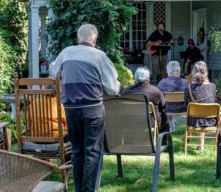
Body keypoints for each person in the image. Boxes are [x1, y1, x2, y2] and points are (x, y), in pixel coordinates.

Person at [49, 24, 121, 192]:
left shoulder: (66, 52)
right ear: (94, 40)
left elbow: (52, 71)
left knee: (77, 150)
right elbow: (112, 87)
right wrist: (119, 88)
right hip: (93, 108)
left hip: (71, 108)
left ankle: (80, 189)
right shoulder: (99, 56)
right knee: (93, 151)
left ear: (78, 38)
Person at [120, 67, 168, 133]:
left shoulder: (126, 91)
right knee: (163, 115)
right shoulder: (155, 91)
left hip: (129, 121)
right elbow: (163, 106)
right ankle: (164, 141)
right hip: (149, 122)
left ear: (135, 77)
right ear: (148, 78)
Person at [184, 61, 217, 150]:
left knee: (196, 112)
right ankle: (200, 145)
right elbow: (213, 100)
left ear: (193, 72)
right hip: (211, 120)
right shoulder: (212, 86)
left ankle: (189, 136)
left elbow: (186, 103)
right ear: (206, 72)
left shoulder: (189, 87)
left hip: (193, 120)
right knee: (203, 111)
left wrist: (191, 78)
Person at [157, 61, 188, 132]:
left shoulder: (162, 82)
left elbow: (159, 97)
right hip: (183, 109)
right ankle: (185, 129)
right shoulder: (186, 82)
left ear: (168, 71)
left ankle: (171, 126)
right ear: (178, 71)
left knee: (166, 103)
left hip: (167, 109)